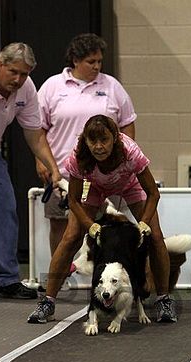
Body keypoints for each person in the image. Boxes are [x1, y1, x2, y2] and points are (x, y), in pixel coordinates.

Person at [28, 115, 177, 324]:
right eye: (93, 141)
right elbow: (73, 200)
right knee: (71, 237)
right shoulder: (78, 157)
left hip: (129, 185)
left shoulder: (130, 152)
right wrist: (90, 226)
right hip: (94, 187)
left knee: (156, 237)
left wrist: (143, 222)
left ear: (114, 138)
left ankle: (164, 301)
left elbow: (153, 193)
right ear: (85, 141)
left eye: (104, 140)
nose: (98, 147)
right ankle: (47, 302)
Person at [0, 42, 61, 299]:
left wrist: (54, 168)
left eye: (25, 74)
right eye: (13, 72)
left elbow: (35, 134)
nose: (19, 79)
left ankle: (6, 281)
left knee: (5, 211)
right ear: (0, 65)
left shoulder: (26, 89)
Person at [35, 33, 137, 255]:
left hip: (106, 174)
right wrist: (41, 161)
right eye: (91, 62)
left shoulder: (112, 86)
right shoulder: (52, 86)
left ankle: (108, 275)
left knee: (109, 225)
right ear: (75, 60)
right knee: (62, 226)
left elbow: (128, 124)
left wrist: (124, 158)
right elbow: (37, 130)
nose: (97, 66)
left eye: (100, 61)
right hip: (62, 173)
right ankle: (61, 274)